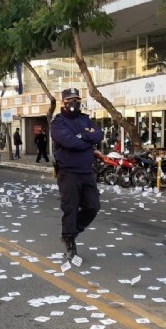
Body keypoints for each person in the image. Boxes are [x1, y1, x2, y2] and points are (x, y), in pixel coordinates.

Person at [50, 88, 102, 260]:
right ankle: (69, 240)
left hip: (86, 171)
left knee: (93, 206)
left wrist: (83, 136)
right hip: (68, 172)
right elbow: (70, 142)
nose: (74, 102)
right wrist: (87, 139)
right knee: (70, 208)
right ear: (63, 102)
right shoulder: (58, 123)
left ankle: (72, 232)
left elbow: (99, 135)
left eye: (77, 99)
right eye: (70, 99)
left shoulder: (85, 119)